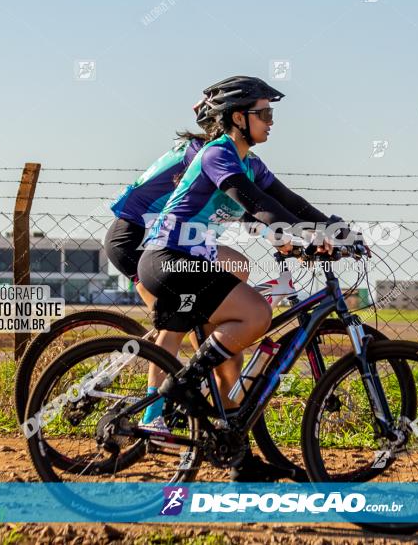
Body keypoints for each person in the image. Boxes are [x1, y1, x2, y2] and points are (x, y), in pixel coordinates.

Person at [137, 75, 346, 481]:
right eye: (264, 113)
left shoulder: (249, 160)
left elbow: (286, 199)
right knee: (255, 315)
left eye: (271, 113)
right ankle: (178, 389)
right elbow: (253, 201)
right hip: (170, 259)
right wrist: (303, 233)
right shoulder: (219, 155)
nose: (271, 121)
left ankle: (235, 454)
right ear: (238, 117)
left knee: (230, 354)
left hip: (192, 260)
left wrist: (334, 228)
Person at [104, 134, 253, 434]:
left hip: (149, 239)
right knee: (178, 323)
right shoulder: (204, 153)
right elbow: (228, 193)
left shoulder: (204, 150)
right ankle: (155, 412)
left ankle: (192, 379)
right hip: (140, 241)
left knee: (233, 273)